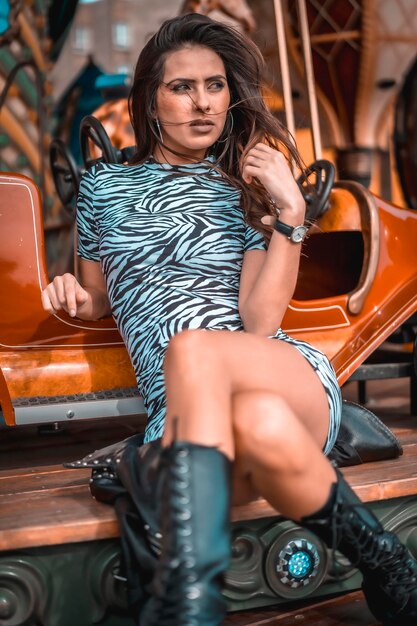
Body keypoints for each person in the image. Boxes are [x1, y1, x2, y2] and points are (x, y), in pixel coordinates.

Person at [42, 13, 417, 626]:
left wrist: (290, 209)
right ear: (149, 100)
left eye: (215, 86)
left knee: (196, 350)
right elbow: (98, 298)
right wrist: (70, 297)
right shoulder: (103, 187)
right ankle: (388, 564)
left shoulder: (241, 183)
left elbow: (261, 321)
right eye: (182, 87)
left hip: (278, 372)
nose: (203, 103)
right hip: (189, 420)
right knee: (259, 424)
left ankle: (190, 608)